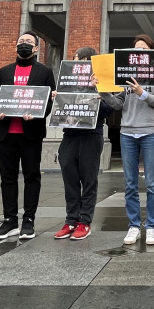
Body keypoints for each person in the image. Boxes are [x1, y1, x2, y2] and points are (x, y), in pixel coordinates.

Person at [99, 35, 154, 246]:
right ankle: (134, 225)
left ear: (151, 52)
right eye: (136, 49)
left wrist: (142, 93)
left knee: (153, 183)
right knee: (130, 184)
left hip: (151, 132)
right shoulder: (125, 73)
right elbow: (118, 105)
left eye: (143, 49)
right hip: (128, 132)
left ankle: (152, 226)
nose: (139, 53)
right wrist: (102, 91)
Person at [0, 31, 55, 241]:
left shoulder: (44, 72)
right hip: (6, 133)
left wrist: (36, 115)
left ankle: (28, 220)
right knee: (7, 179)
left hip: (31, 134)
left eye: (29, 42)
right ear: (15, 46)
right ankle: (10, 221)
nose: (24, 45)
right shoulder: (5, 71)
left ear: (36, 49)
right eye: (21, 42)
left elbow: (49, 102)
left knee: (32, 177)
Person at [53, 46, 113, 242]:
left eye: (77, 58)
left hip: (91, 135)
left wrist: (99, 93)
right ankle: (71, 220)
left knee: (88, 180)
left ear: (87, 60)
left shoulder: (102, 80)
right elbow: (61, 109)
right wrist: (57, 98)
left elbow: (108, 110)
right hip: (69, 134)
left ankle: (85, 221)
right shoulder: (68, 80)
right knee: (69, 178)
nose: (74, 62)